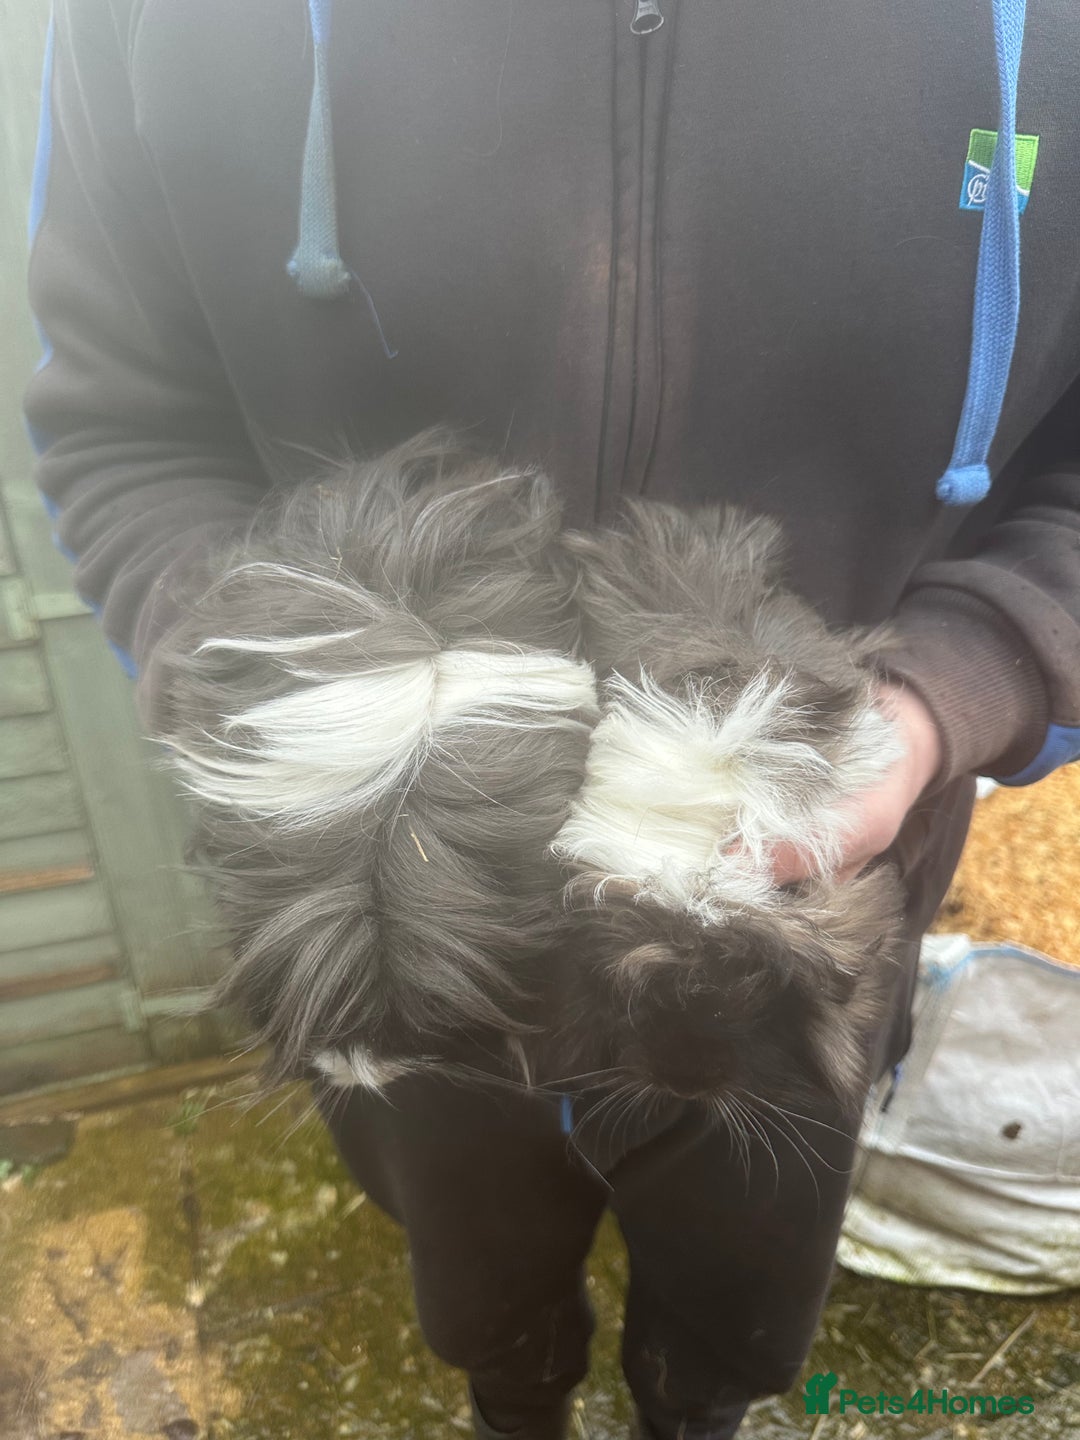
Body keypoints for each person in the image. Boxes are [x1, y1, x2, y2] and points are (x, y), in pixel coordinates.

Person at [24, 2, 1080, 1436]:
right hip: (391, 932)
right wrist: (253, 701)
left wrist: (952, 689)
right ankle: (511, 1388)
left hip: (800, 910)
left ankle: (698, 1404)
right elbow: (123, 420)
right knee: (468, 1259)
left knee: (745, 1274)